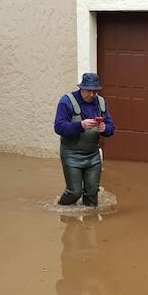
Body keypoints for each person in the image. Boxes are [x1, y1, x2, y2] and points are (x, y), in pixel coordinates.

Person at [53, 73, 115, 206]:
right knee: (74, 192)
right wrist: (80, 125)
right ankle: (62, 211)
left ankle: (90, 224)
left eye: (95, 91)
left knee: (92, 193)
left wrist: (105, 129)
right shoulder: (67, 101)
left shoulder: (101, 103)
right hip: (71, 154)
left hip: (93, 155)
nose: (92, 95)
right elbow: (58, 127)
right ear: (81, 88)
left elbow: (111, 127)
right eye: (89, 91)